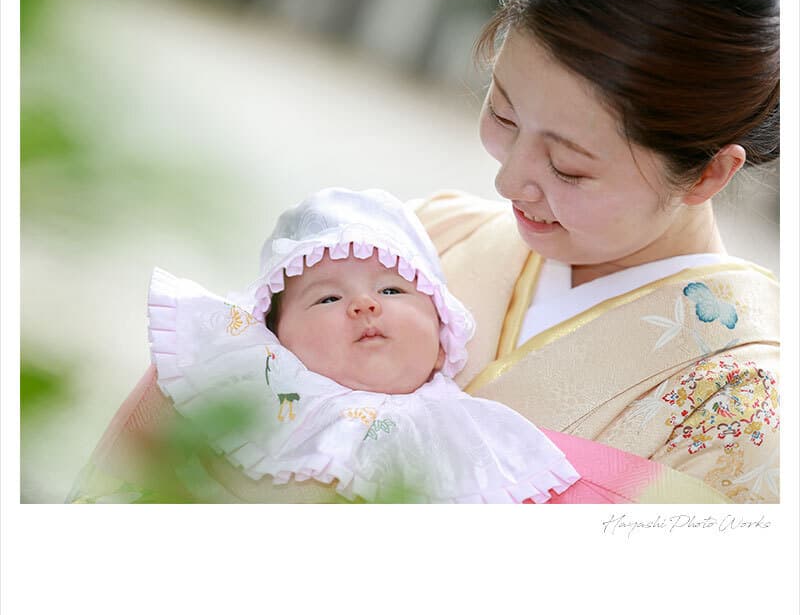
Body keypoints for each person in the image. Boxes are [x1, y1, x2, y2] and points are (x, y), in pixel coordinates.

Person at [413, 0, 780, 503]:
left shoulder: (740, 414)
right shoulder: (430, 234)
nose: (508, 181)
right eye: (503, 114)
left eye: (568, 167)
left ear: (707, 173)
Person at [141, 187, 581, 504]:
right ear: (275, 339)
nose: (364, 305)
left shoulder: (469, 437)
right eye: (328, 298)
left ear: (444, 338)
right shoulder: (252, 393)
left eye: (392, 291)